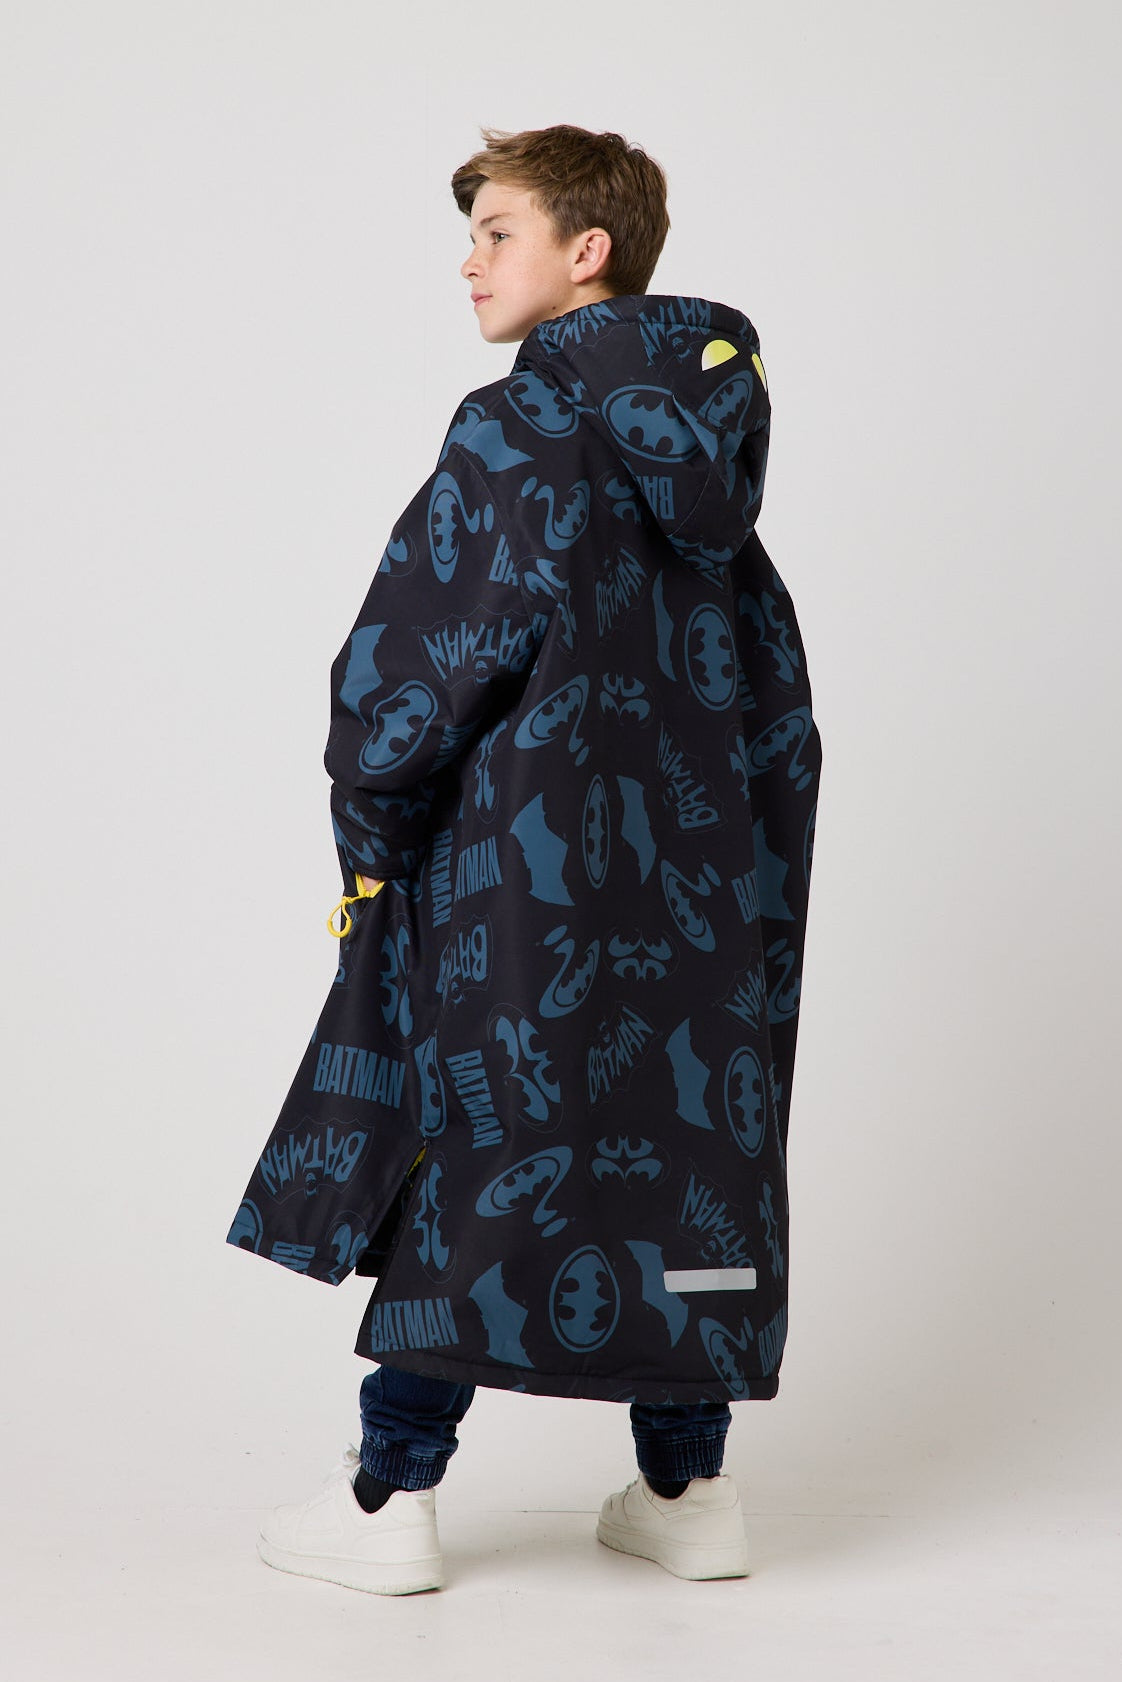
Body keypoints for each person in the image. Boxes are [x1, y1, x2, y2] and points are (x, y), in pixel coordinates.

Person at [229, 122, 822, 1595]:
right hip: (703, 888)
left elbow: (413, 665)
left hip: (519, 878)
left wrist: (374, 847)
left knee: (476, 1145)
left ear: (585, 251)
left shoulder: (522, 427)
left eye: (496, 231)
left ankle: (388, 1498)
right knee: (688, 1154)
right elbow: (778, 705)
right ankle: (686, 1488)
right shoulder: (717, 462)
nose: (470, 262)